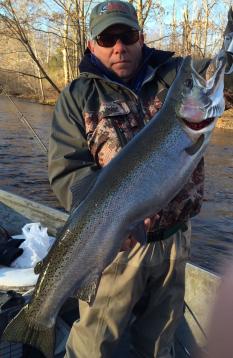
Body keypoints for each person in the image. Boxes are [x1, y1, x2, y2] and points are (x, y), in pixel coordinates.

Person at [48, 2, 232, 357]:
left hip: (175, 244)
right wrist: (112, 219)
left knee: (159, 344)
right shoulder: (77, 97)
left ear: (140, 37)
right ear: (92, 44)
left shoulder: (176, 74)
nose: (119, 46)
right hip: (113, 247)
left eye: (127, 35)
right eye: (107, 37)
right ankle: (39, 321)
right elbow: (68, 173)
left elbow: (227, 78)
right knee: (94, 347)